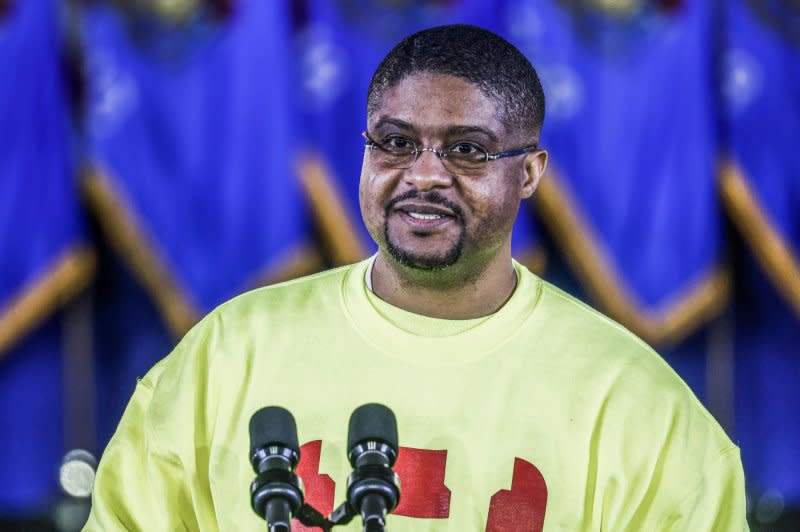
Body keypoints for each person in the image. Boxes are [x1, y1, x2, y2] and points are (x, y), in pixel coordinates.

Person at [84, 24, 747, 531]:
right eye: (396, 142)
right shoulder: (225, 355)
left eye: (466, 149)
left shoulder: (639, 407)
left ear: (530, 173)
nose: (424, 174)